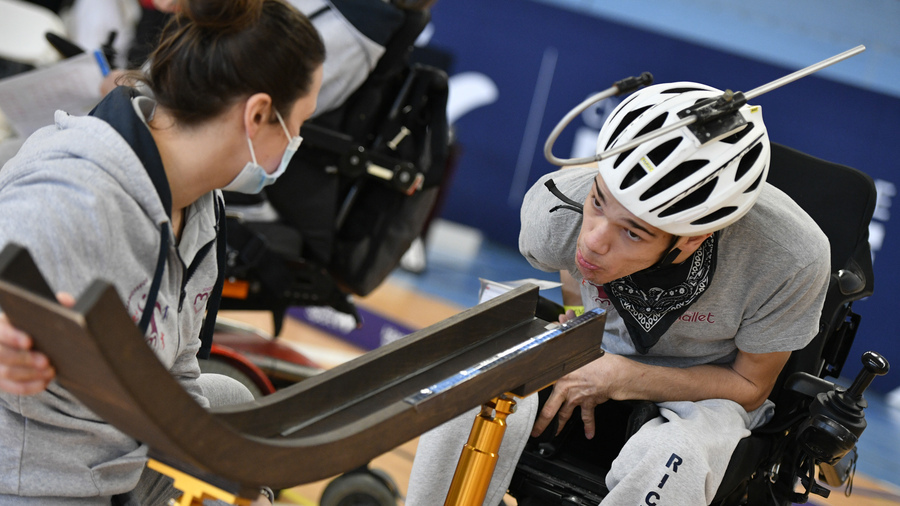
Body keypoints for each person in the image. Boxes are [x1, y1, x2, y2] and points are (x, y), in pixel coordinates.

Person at [405, 81, 831, 505]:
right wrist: (579, 325)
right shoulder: (556, 208)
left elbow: (749, 385)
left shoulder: (792, 258)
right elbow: (572, 265)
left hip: (708, 391)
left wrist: (625, 376)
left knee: (672, 458)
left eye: (632, 231)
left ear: (691, 239)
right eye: (598, 201)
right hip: (596, 352)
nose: (592, 241)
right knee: (468, 386)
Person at [0, 0, 325, 503]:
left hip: (116, 452)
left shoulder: (200, 207)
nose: (296, 140)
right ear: (258, 114)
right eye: (298, 123)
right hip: (34, 471)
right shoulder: (74, 194)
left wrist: (226, 476)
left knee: (234, 406)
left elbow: (179, 368)